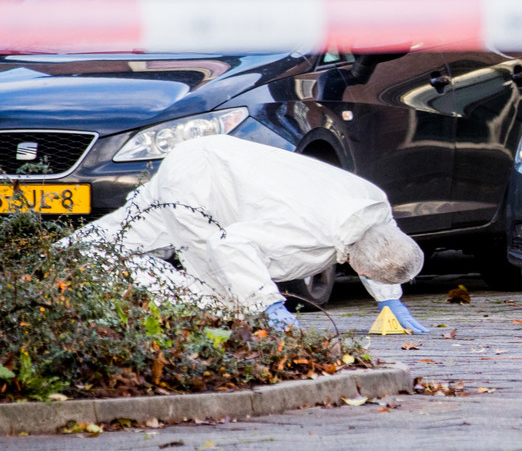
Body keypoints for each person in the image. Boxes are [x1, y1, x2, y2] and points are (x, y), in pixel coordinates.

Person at [69, 135, 428, 332]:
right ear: (360, 269)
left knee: (113, 236)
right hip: (198, 185)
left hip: (216, 158)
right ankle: (95, 279)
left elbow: (383, 241)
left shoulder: (372, 205)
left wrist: (388, 297)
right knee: (219, 295)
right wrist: (267, 303)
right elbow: (229, 245)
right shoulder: (305, 232)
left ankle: (47, 265)